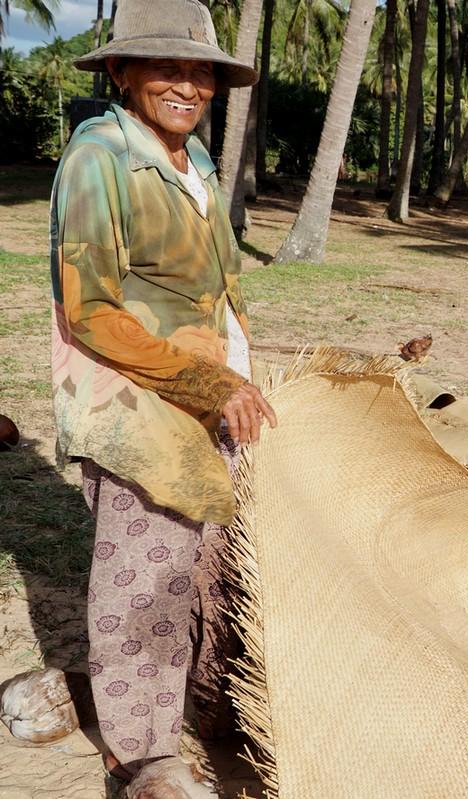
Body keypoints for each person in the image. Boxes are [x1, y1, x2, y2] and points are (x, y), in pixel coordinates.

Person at [52, 1, 276, 794]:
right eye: (167, 67)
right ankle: (139, 757)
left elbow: (214, 288)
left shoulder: (194, 163)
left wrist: (243, 368)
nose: (189, 85)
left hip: (210, 403)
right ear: (120, 72)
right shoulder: (99, 157)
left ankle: (194, 705)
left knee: (195, 569)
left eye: (202, 71)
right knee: (141, 582)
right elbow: (91, 310)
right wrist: (210, 381)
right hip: (139, 409)